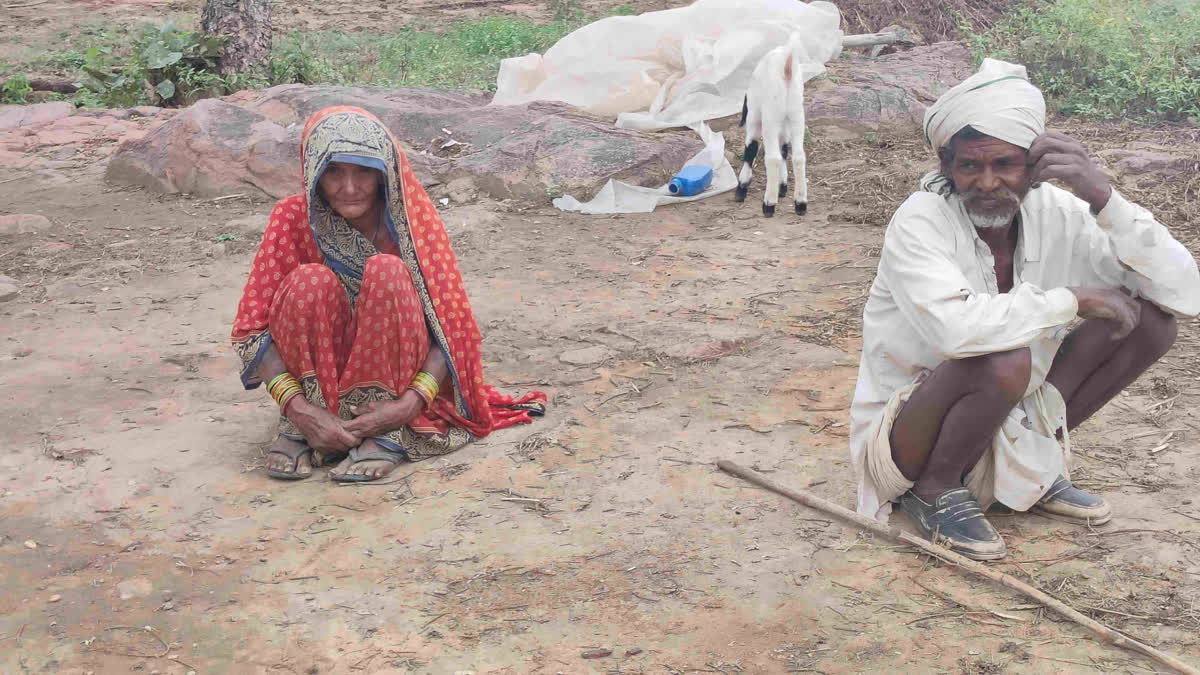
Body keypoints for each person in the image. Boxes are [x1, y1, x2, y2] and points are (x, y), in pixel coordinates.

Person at [849, 59, 1200, 560]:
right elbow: (957, 334)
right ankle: (934, 492)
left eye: (1005, 165)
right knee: (1003, 354)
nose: (987, 183)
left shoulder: (1059, 211)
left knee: (1150, 324)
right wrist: (1073, 300)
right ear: (946, 167)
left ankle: (1032, 467)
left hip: (1004, 420)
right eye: (970, 165)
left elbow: (1185, 293)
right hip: (906, 442)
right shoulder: (920, 219)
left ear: (1034, 169)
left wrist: (1104, 198)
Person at [231, 106, 546, 482]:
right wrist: (299, 409)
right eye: (333, 171)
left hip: (398, 386)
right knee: (308, 282)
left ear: (385, 172)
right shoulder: (292, 218)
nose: (349, 188)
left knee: (388, 271)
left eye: (364, 170)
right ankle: (309, 428)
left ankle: (385, 432)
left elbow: (450, 329)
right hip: (314, 394)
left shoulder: (412, 225)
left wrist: (409, 405)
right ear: (313, 170)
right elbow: (252, 330)